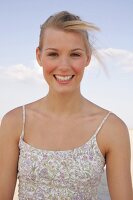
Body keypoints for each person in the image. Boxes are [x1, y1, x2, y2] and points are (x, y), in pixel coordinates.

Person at [0, 11, 133, 200]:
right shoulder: (14, 123)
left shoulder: (111, 129)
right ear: (39, 56)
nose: (64, 65)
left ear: (87, 57)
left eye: (75, 54)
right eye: (53, 54)